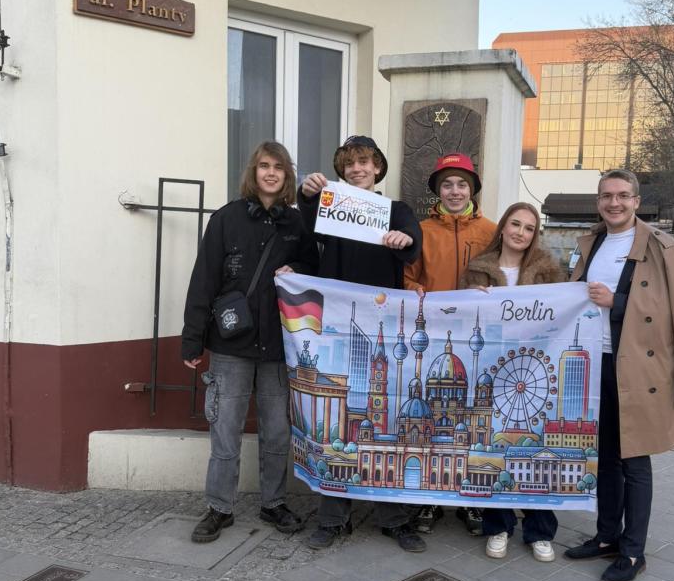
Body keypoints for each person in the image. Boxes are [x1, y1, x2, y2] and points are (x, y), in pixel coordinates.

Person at [566, 168, 674, 581]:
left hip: (639, 367)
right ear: (598, 202)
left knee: (635, 460)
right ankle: (607, 536)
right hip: (596, 363)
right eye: (606, 196)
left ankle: (633, 552)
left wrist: (616, 301)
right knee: (605, 457)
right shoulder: (590, 243)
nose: (614, 203)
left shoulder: (664, 247)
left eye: (622, 195)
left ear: (636, 201)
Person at [181, 141, 319, 543]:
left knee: (277, 432)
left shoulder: (296, 223)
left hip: (277, 346)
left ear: (287, 175)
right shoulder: (226, 219)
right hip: (231, 345)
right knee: (225, 430)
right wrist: (192, 340)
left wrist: (299, 266)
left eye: (279, 167)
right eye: (264, 166)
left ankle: (273, 502)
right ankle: (219, 508)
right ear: (253, 172)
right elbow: (203, 278)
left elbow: (314, 267)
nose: (271, 173)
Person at [297, 134, 426, 552]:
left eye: (365, 162)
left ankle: (394, 518)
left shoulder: (396, 210)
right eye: (350, 163)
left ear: (377, 168)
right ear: (342, 170)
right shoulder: (331, 203)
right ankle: (333, 518)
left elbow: (412, 242)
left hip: (380, 331)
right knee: (337, 426)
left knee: (384, 426)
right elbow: (307, 222)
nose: (357, 169)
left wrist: (404, 240)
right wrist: (307, 194)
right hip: (336, 325)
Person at [460, 202, 562, 562]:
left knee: (537, 448)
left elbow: (562, 312)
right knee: (494, 449)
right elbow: (466, 319)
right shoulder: (478, 269)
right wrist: (471, 300)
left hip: (535, 368)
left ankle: (540, 530)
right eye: (515, 224)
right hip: (494, 370)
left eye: (529, 228)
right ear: (503, 227)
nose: (520, 232)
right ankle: (498, 526)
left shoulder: (548, 271)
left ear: (535, 235)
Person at [405, 153, 497, 535]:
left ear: (471, 190)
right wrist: (416, 289)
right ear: (438, 191)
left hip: (478, 332)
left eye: (462, 184)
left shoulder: (492, 231)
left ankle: (472, 502)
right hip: (435, 329)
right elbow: (406, 276)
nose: (455, 191)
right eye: (447, 185)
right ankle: (428, 498)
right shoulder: (422, 230)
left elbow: (508, 275)